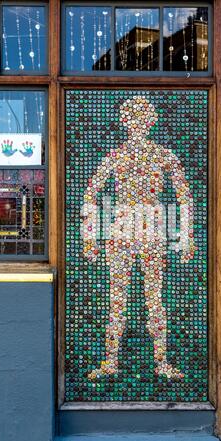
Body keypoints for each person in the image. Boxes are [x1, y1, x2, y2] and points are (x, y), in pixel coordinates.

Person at [81, 96, 195, 379]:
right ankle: (111, 361)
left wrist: (186, 236)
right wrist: (89, 236)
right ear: (126, 122)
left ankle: (161, 362)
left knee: (153, 299)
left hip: (151, 228)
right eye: (134, 117)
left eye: (143, 117)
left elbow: (184, 196)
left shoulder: (163, 156)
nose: (139, 123)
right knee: (117, 298)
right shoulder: (118, 156)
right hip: (124, 228)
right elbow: (90, 192)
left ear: (151, 121)